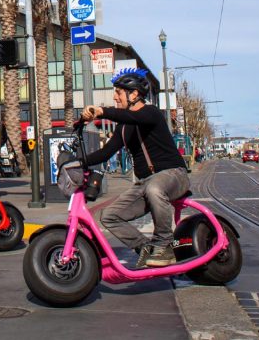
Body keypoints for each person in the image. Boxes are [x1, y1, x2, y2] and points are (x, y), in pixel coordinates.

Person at [80, 68, 190, 268]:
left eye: (118, 93)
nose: (115, 97)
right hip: (145, 183)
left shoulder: (151, 113)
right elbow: (106, 153)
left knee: (154, 188)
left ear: (134, 94)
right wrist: (78, 161)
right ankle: (146, 248)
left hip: (173, 175)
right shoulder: (124, 127)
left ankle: (164, 245)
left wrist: (102, 111)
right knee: (109, 215)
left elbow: (135, 118)